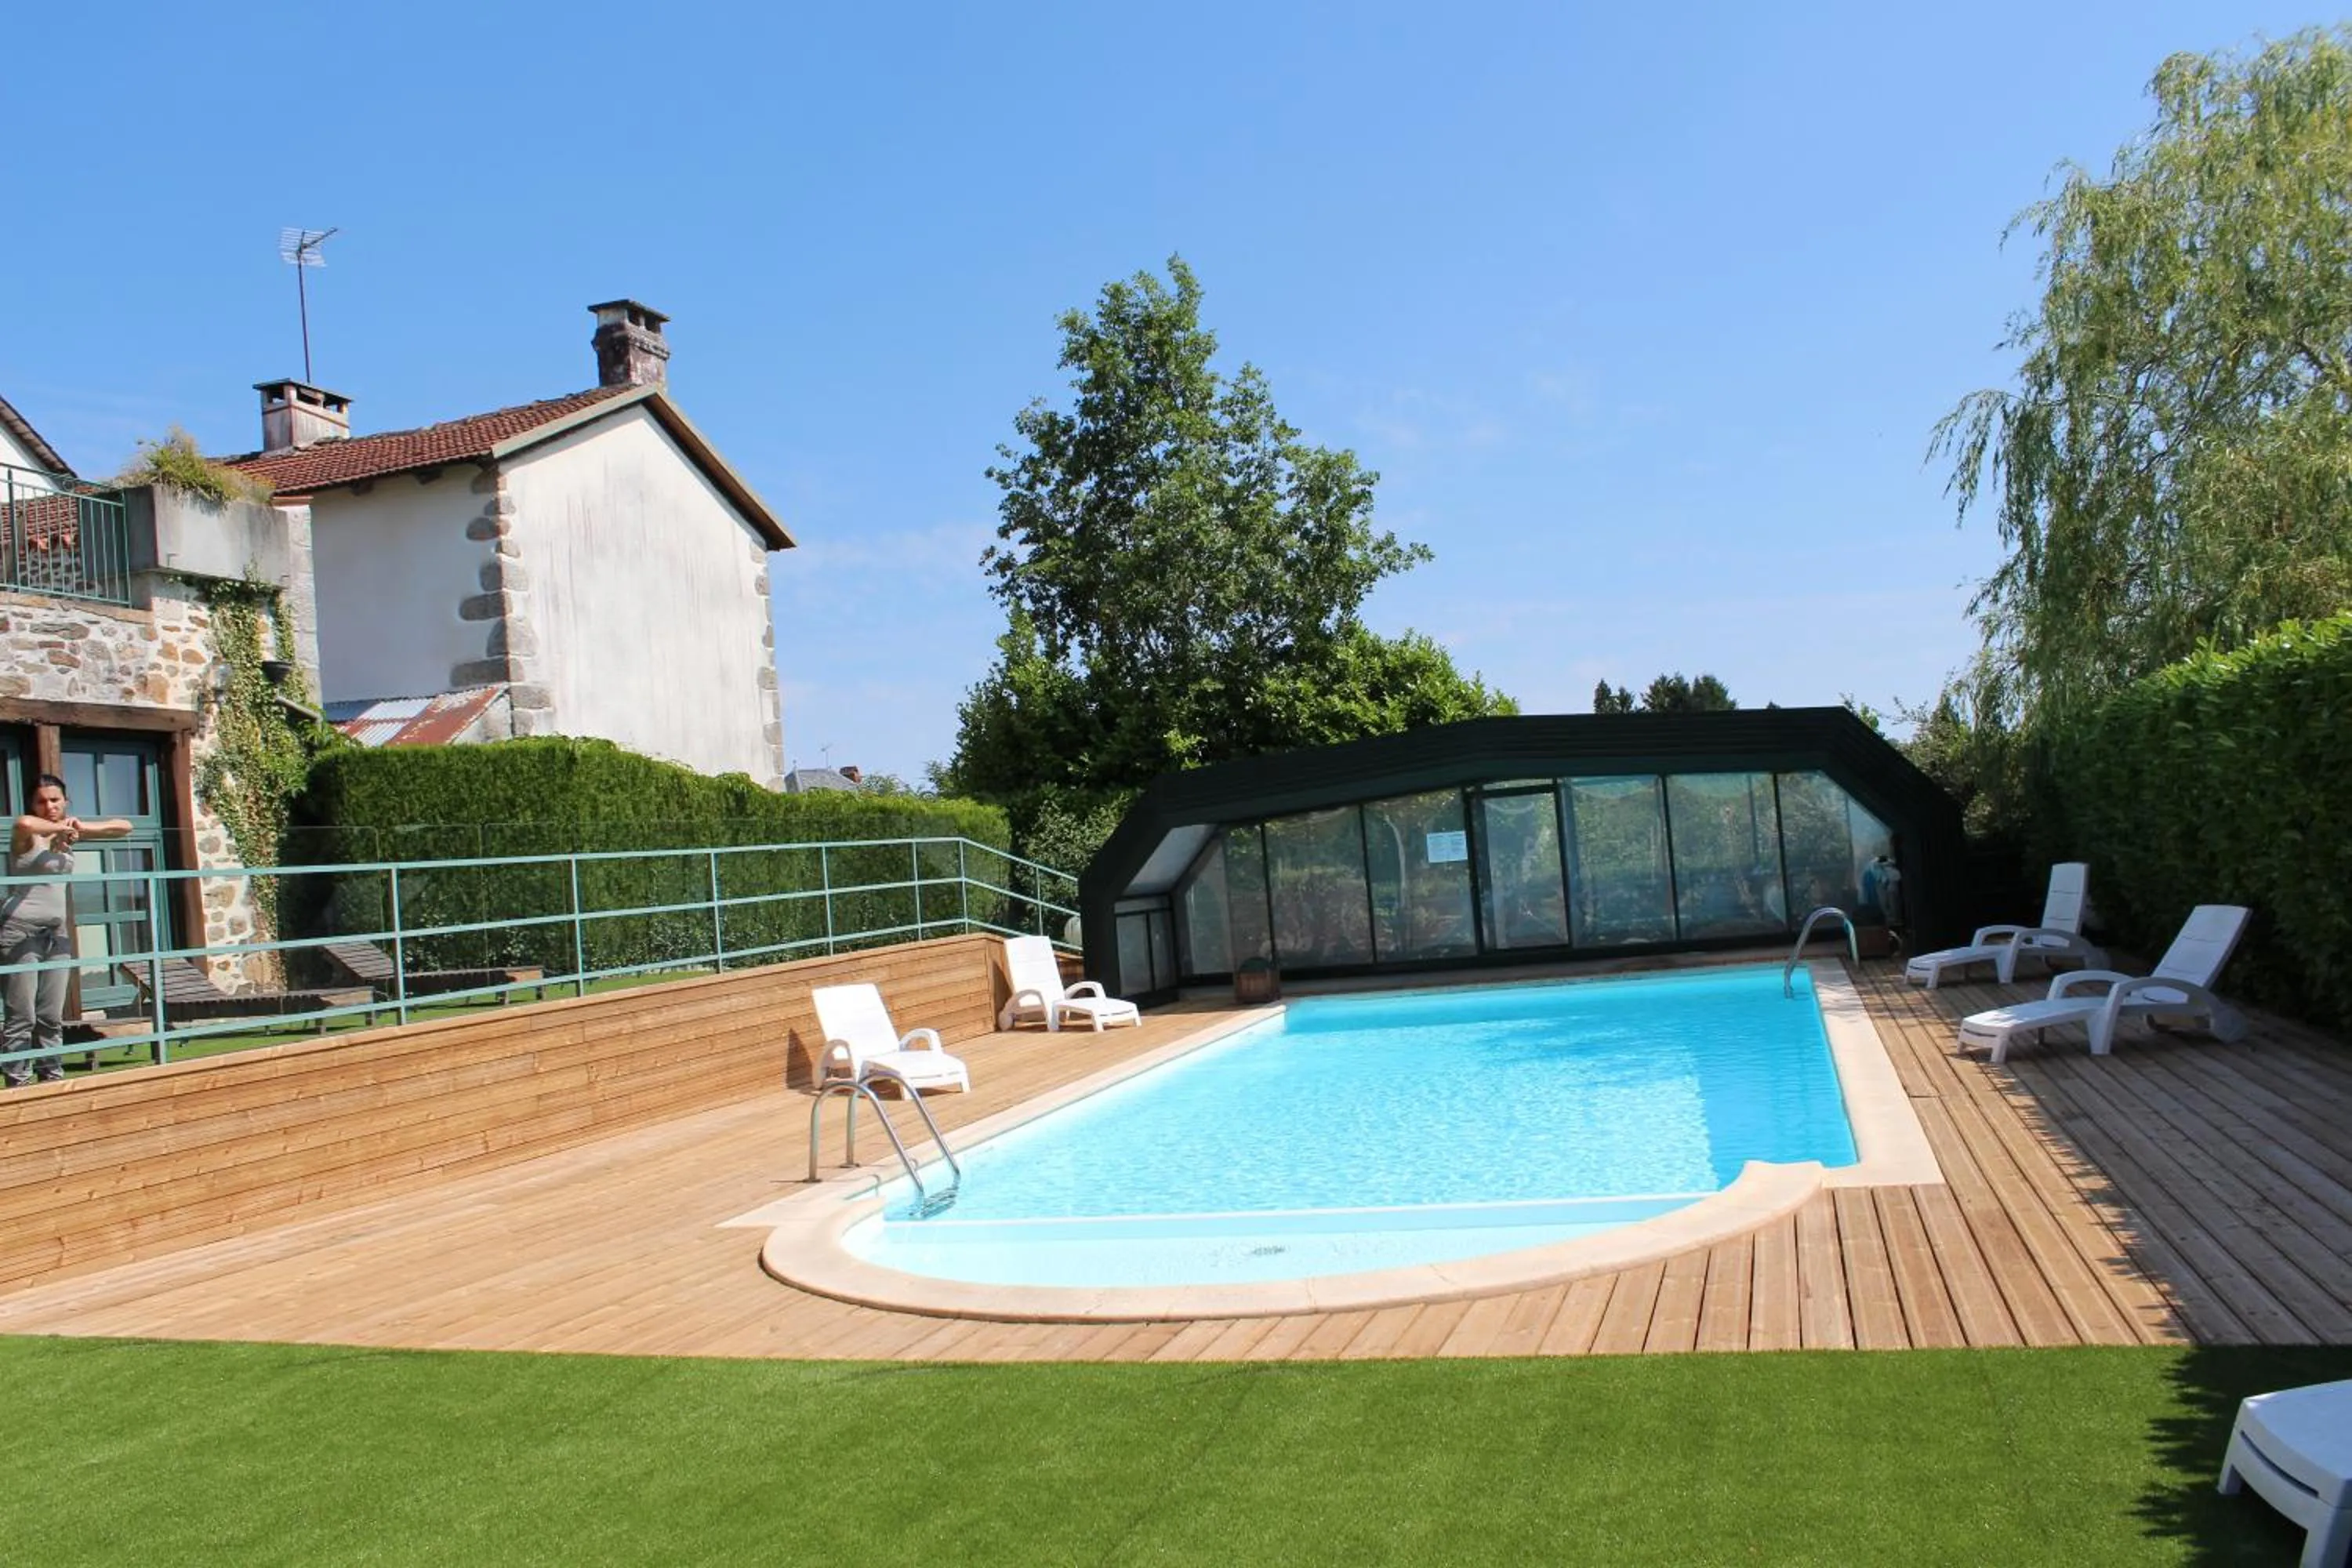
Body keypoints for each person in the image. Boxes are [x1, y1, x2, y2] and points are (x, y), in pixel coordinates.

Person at [3, 775, 131, 1087]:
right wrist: (63, 829)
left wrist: (81, 828)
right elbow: (23, 824)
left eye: (55, 800)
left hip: (56, 933)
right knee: (22, 1017)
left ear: (65, 802)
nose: (49, 806)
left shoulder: (69, 833)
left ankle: (53, 1081)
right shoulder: (28, 837)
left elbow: (125, 827)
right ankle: (18, 1084)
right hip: (19, 932)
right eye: (41, 801)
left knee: (50, 1015)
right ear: (34, 805)